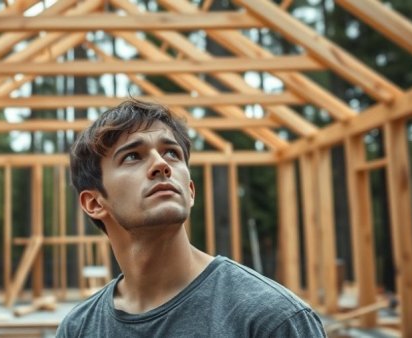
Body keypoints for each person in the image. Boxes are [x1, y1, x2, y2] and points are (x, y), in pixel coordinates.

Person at [57, 99, 326, 337]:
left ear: (190, 190)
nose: (161, 164)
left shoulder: (272, 319)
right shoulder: (78, 329)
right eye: (132, 157)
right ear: (93, 203)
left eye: (171, 153)